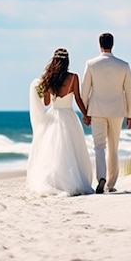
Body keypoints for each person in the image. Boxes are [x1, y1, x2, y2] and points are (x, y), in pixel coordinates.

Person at [27, 48, 94, 197]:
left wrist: (42, 91)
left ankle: (54, 182)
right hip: (69, 116)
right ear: (67, 61)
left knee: (53, 152)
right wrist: (86, 115)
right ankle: (72, 182)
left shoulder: (48, 79)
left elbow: (45, 103)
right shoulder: (74, 78)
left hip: (54, 116)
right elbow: (78, 98)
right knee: (72, 151)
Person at [81, 33, 131, 194]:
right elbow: (129, 92)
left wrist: (85, 112)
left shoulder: (91, 64)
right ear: (113, 44)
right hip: (117, 111)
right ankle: (110, 184)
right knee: (113, 147)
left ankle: (101, 178)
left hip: (96, 110)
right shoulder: (123, 65)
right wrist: (130, 114)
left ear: (100, 45)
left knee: (99, 146)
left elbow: (85, 90)